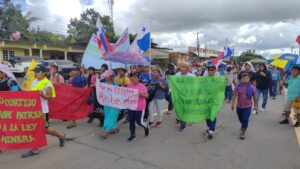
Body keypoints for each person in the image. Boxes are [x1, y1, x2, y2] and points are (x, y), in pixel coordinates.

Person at [21, 64, 65, 158]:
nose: (35, 73)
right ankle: (60, 136)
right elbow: (30, 94)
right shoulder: (33, 82)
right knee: (35, 129)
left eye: (37, 72)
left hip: (42, 111)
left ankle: (60, 136)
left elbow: (50, 97)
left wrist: (42, 95)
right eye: (35, 72)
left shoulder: (47, 83)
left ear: (43, 73)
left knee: (44, 130)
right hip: (33, 110)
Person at [0, 64, 19, 154]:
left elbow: (15, 94)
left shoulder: (10, 81)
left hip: (9, 109)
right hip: (1, 109)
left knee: (10, 127)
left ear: (4, 73)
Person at [231, 73, 257, 139]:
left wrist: (255, 106)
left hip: (248, 106)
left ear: (249, 79)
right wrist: (233, 104)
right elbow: (234, 95)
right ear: (241, 79)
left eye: (247, 78)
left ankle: (243, 132)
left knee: (245, 119)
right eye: (243, 78)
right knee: (241, 119)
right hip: (239, 106)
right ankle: (243, 125)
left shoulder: (252, 88)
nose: (245, 80)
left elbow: (254, 97)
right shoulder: (238, 87)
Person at [126, 72, 149, 142]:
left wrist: (141, 94)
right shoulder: (129, 85)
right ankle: (133, 135)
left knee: (139, 122)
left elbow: (147, 96)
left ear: (139, 79)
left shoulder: (142, 86)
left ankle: (145, 126)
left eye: (135, 77)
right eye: (132, 77)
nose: (133, 78)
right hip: (131, 106)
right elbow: (125, 93)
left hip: (140, 107)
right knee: (131, 121)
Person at [100, 70, 121, 139]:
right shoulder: (103, 84)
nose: (105, 77)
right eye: (105, 76)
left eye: (107, 76)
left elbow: (119, 95)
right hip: (106, 103)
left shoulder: (116, 85)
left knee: (112, 116)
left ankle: (106, 131)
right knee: (107, 116)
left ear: (111, 77)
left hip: (115, 104)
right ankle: (115, 128)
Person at [176, 63, 195, 132]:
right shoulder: (177, 75)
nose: (182, 69)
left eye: (184, 67)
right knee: (180, 110)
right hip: (178, 96)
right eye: (181, 67)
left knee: (184, 111)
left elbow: (196, 85)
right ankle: (182, 123)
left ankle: (183, 126)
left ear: (187, 69)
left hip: (187, 96)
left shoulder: (191, 76)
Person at [204, 65, 219, 139]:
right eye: (208, 69)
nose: (210, 71)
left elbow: (225, 85)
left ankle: (211, 130)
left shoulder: (218, 79)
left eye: (212, 70)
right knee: (207, 116)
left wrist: (226, 79)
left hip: (214, 101)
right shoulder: (204, 79)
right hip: (205, 101)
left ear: (215, 71)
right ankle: (210, 127)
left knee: (213, 114)